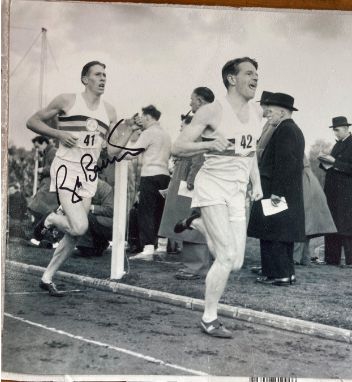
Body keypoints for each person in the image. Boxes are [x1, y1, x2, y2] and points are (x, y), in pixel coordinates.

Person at [26, 61, 141, 296]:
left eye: (105, 75)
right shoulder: (67, 100)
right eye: (97, 74)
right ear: (85, 79)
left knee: (75, 233)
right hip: (66, 169)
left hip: (88, 174)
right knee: (80, 225)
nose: (103, 79)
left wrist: (128, 129)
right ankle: (50, 219)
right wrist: (58, 133)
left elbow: (111, 152)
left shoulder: (109, 111)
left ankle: (47, 278)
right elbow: (32, 122)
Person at [172, 57, 263, 338]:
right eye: (249, 73)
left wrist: (256, 183)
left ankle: (198, 225)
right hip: (212, 185)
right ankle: (209, 317)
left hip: (237, 191)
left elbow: (250, 154)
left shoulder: (257, 113)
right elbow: (178, 147)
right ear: (232, 78)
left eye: (257, 74)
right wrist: (209, 143)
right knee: (224, 257)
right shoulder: (212, 111)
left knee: (235, 262)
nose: (256, 78)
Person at [248, 92, 305, 286]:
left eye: (270, 111)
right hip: (282, 192)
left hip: (277, 192)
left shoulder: (285, 130)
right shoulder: (290, 129)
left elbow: (285, 164)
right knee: (279, 234)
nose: (266, 114)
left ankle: (278, 275)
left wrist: (276, 193)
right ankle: (284, 274)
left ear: (282, 112)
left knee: (275, 233)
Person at [159, 87, 215, 280]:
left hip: (193, 179)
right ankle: (196, 265)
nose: (190, 104)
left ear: (199, 101)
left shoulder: (203, 122)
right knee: (191, 222)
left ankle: (195, 267)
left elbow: (199, 154)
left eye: (192, 100)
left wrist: (191, 180)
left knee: (191, 223)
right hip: (194, 176)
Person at [318, 116, 352, 268]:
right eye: (334, 130)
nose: (335, 133)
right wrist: (325, 162)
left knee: (347, 226)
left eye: (337, 130)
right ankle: (332, 258)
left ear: (346, 129)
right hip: (332, 191)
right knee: (332, 224)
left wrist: (333, 162)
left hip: (346, 193)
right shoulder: (337, 145)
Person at [129, 105, 172, 261]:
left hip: (150, 174)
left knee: (146, 211)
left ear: (147, 117)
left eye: (143, 118)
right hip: (165, 175)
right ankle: (162, 246)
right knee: (161, 211)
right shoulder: (166, 135)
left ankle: (148, 248)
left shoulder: (148, 133)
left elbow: (133, 152)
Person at [293, 156, 337, 266]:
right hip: (311, 185)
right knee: (306, 227)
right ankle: (304, 258)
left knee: (302, 225)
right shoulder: (308, 172)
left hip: (305, 185)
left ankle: (296, 258)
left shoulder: (302, 171)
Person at [75, 179, 114, 257]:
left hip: (108, 223)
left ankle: (86, 248)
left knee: (85, 214)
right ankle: (96, 245)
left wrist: (89, 207)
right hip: (93, 221)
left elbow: (111, 210)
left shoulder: (104, 187)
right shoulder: (77, 185)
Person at [28, 136, 59, 223]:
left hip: (52, 182)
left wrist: (42, 170)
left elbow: (55, 167)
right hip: (47, 182)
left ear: (44, 143)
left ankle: (43, 221)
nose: (37, 150)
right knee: (37, 201)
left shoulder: (53, 151)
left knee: (39, 202)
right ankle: (40, 221)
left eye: (38, 147)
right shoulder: (46, 152)